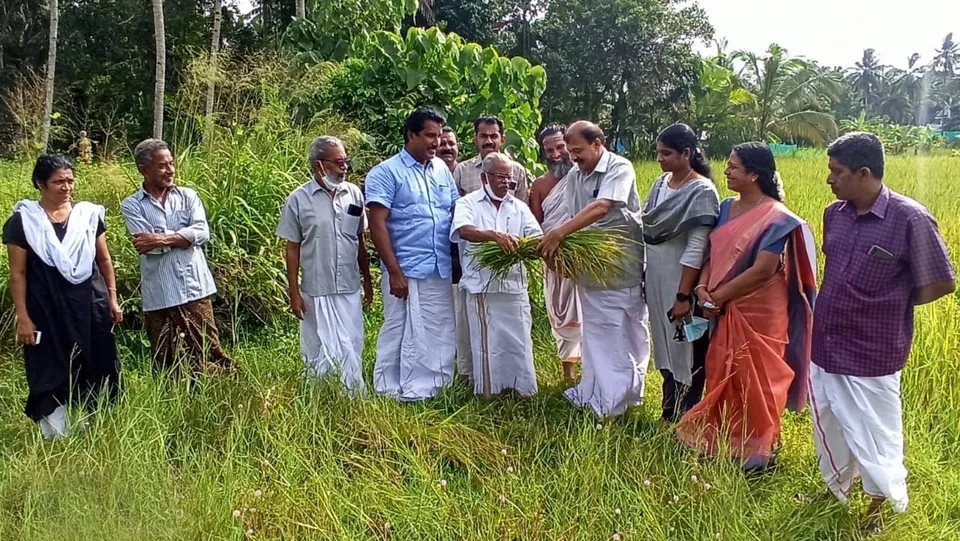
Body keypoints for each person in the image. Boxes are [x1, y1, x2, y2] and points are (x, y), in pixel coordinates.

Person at [809, 132, 955, 528]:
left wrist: (889, 303)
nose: (830, 180)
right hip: (825, 340)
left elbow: (942, 281)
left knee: (875, 433)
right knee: (830, 421)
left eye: (837, 172)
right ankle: (835, 487)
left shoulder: (910, 218)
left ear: (865, 173)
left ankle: (877, 509)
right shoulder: (833, 214)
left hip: (873, 349)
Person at [676, 142, 817, 472]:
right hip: (720, 308)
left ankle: (759, 452)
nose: (726, 171)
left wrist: (718, 296)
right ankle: (724, 440)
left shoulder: (779, 219)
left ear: (754, 174)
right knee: (723, 371)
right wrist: (701, 288)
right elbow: (713, 252)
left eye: (733, 166)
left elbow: (763, 269)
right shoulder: (726, 208)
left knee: (759, 379)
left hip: (761, 313)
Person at [3, 155, 122, 439]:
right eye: (59, 181)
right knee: (50, 362)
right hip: (46, 307)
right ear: (40, 184)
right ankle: (56, 431)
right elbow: (17, 273)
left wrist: (113, 299)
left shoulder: (88, 216)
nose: (66, 187)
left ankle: (92, 424)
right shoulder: (24, 222)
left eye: (70, 180)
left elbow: (104, 261)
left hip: (90, 303)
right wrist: (23, 317)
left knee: (96, 359)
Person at [538, 121, 649, 417]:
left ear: (598, 144)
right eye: (571, 152)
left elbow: (603, 207)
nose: (573, 157)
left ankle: (622, 394)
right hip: (591, 269)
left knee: (626, 330)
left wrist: (558, 233)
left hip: (621, 264)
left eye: (578, 150)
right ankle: (598, 391)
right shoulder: (575, 175)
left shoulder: (619, 167)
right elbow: (575, 215)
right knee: (598, 334)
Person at [365, 107, 460, 401]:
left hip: (438, 266)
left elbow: (453, 213)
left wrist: (457, 259)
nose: (437, 143)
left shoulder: (442, 171)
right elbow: (377, 223)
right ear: (411, 135)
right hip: (404, 268)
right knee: (398, 328)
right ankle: (390, 387)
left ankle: (432, 387)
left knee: (437, 328)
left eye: (440, 136)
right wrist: (393, 270)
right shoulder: (386, 172)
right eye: (430, 136)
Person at [120, 139, 234, 374]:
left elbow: (202, 232)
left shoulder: (188, 196)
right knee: (166, 360)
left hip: (194, 289)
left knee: (209, 350)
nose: (170, 170)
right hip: (159, 294)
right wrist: (182, 237)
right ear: (143, 169)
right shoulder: (132, 205)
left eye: (171, 164)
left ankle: (218, 395)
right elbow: (146, 246)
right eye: (162, 165)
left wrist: (161, 238)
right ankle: (174, 404)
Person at [276, 136, 373, 396]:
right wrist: (294, 293)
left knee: (351, 341)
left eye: (346, 162)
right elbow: (292, 247)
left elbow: (359, 238)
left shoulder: (353, 193)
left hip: (348, 285)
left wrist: (367, 278)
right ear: (319, 165)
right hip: (316, 289)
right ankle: (319, 395)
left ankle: (352, 394)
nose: (344, 168)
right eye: (339, 162)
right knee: (317, 344)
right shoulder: (298, 200)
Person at [642, 124, 719, 422]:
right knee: (664, 343)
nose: (660, 159)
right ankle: (668, 410)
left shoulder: (701, 191)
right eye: (658, 153)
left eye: (667, 153)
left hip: (682, 280)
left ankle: (688, 415)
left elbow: (696, 247)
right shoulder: (661, 183)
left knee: (688, 346)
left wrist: (684, 295)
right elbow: (647, 225)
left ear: (687, 154)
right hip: (657, 277)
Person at [452, 153, 543, 398]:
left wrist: (532, 247)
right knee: (487, 344)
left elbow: (536, 237)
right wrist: (494, 236)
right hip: (482, 286)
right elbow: (464, 230)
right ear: (484, 177)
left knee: (519, 341)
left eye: (509, 179)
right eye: (500, 177)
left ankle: (523, 391)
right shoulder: (468, 203)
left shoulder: (519, 207)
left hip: (514, 286)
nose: (505, 183)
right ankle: (489, 392)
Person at [528, 123, 582, 381]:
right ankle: (568, 374)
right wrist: (548, 256)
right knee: (560, 313)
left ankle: (594, 370)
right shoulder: (539, 186)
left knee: (588, 313)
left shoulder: (586, 178)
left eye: (560, 147)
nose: (556, 154)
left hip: (585, 258)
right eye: (549, 150)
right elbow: (535, 226)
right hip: (553, 260)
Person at [439, 126, 472, 383]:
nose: (446, 148)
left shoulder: (464, 175)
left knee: (463, 317)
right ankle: (441, 365)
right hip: (437, 260)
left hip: (465, 261)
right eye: (441, 143)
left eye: (451, 143)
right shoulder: (428, 176)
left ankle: (465, 368)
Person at [453, 116, 533, 202]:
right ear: (475, 139)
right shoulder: (462, 170)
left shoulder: (517, 170)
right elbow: (456, 207)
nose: (489, 141)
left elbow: (522, 207)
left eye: (493, 136)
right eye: (483, 136)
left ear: (502, 139)